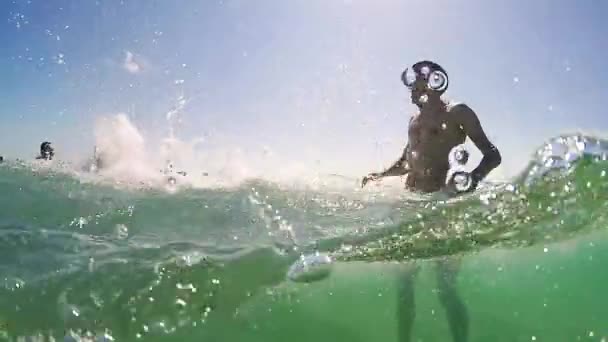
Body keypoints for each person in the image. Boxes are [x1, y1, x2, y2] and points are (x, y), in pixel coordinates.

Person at [361, 61, 501, 342]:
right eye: (411, 85)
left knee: (446, 288)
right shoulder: (413, 122)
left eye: (416, 83)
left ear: (434, 82)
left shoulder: (458, 112)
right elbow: (406, 162)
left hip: (441, 204)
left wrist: (470, 180)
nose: (411, 90)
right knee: (404, 287)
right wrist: (381, 174)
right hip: (408, 202)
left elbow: (492, 155)